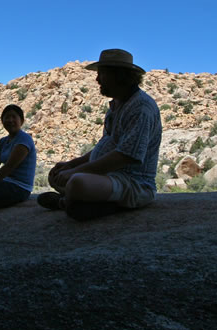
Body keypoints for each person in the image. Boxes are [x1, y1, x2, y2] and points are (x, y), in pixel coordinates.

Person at [38, 48, 162, 220]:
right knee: (56, 174)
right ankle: (77, 200)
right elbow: (106, 146)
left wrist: (75, 172)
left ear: (118, 75)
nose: (97, 80)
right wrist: (71, 164)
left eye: (102, 74)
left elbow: (126, 156)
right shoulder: (116, 105)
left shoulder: (141, 108)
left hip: (134, 183)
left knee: (77, 182)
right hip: (108, 177)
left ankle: (68, 202)